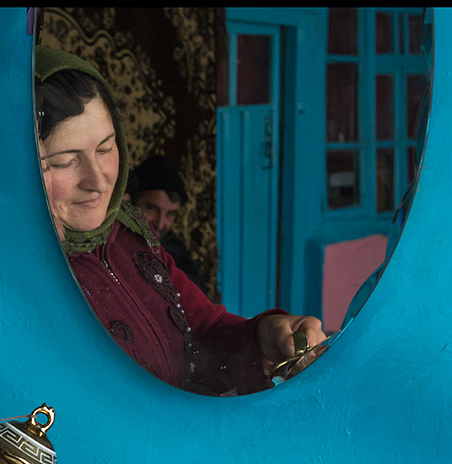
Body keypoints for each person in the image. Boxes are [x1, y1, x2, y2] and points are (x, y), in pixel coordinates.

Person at [34, 46, 325, 396]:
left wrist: (264, 335)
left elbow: (198, 329)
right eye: (66, 161)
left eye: (105, 149)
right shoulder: (17, 272)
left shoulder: (129, 234)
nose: (98, 181)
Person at [126, 154, 205, 291]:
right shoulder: (113, 243)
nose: (160, 224)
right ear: (131, 202)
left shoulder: (178, 257)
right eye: (151, 208)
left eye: (170, 214)